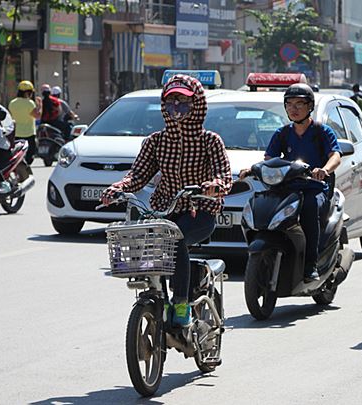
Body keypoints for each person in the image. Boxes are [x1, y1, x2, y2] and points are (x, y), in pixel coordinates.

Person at [100, 75, 232, 327]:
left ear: (197, 105)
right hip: (165, 209)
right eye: (171, 102)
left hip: (200, 212)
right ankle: (158, 295)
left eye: (183, 102)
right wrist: (117, 188)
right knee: (150, 242)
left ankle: (181, 303)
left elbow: (222, 172)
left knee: (175, 238)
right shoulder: (156, 142)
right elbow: (137, 175)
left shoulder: (210, 141)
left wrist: (215, 186)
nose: (176, 108)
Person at [240, 83, 342, 283]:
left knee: (309, 210)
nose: (294, 109)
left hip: (314, 188)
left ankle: (311, 264)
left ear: (310, 106)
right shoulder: (282, 133)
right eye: (289, 104)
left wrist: (324, 170)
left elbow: (335, 156)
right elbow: (269, 159)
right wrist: (253, 169)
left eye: (299, 104)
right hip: (287, 188)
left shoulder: (322, 132)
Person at [9, 80, 41, 165]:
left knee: (16, 153)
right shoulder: (30, 103)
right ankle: (26, 166)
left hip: (16, 133)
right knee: (30, 154)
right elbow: (37, 116)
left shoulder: (12, 103)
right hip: (29, 133)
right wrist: (40, 106)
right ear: (28, 93)